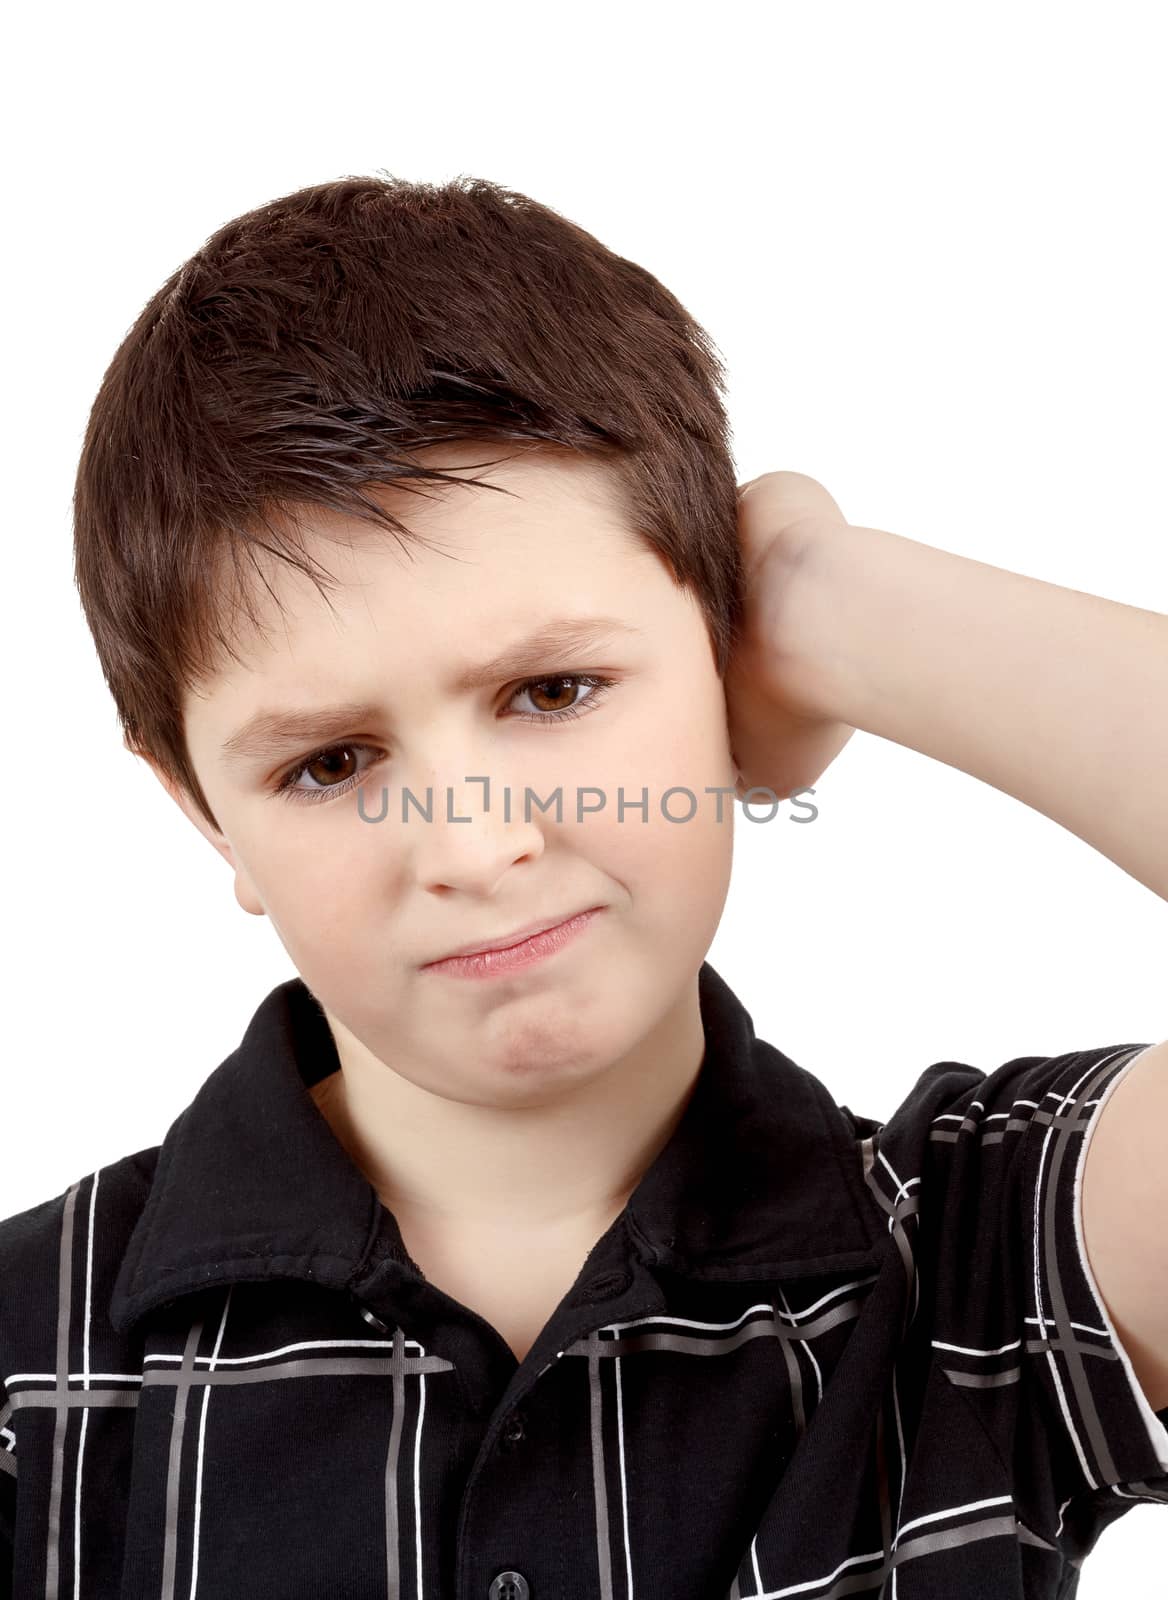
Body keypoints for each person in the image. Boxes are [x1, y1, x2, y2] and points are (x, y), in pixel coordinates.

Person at [0, 175, 1164, 1600]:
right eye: (329, 762)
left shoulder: (986, 1246)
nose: (475, 847)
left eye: (553, 689)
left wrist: (829, 598)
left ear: (726, 663)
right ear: (203, 813)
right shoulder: (27, 1362)